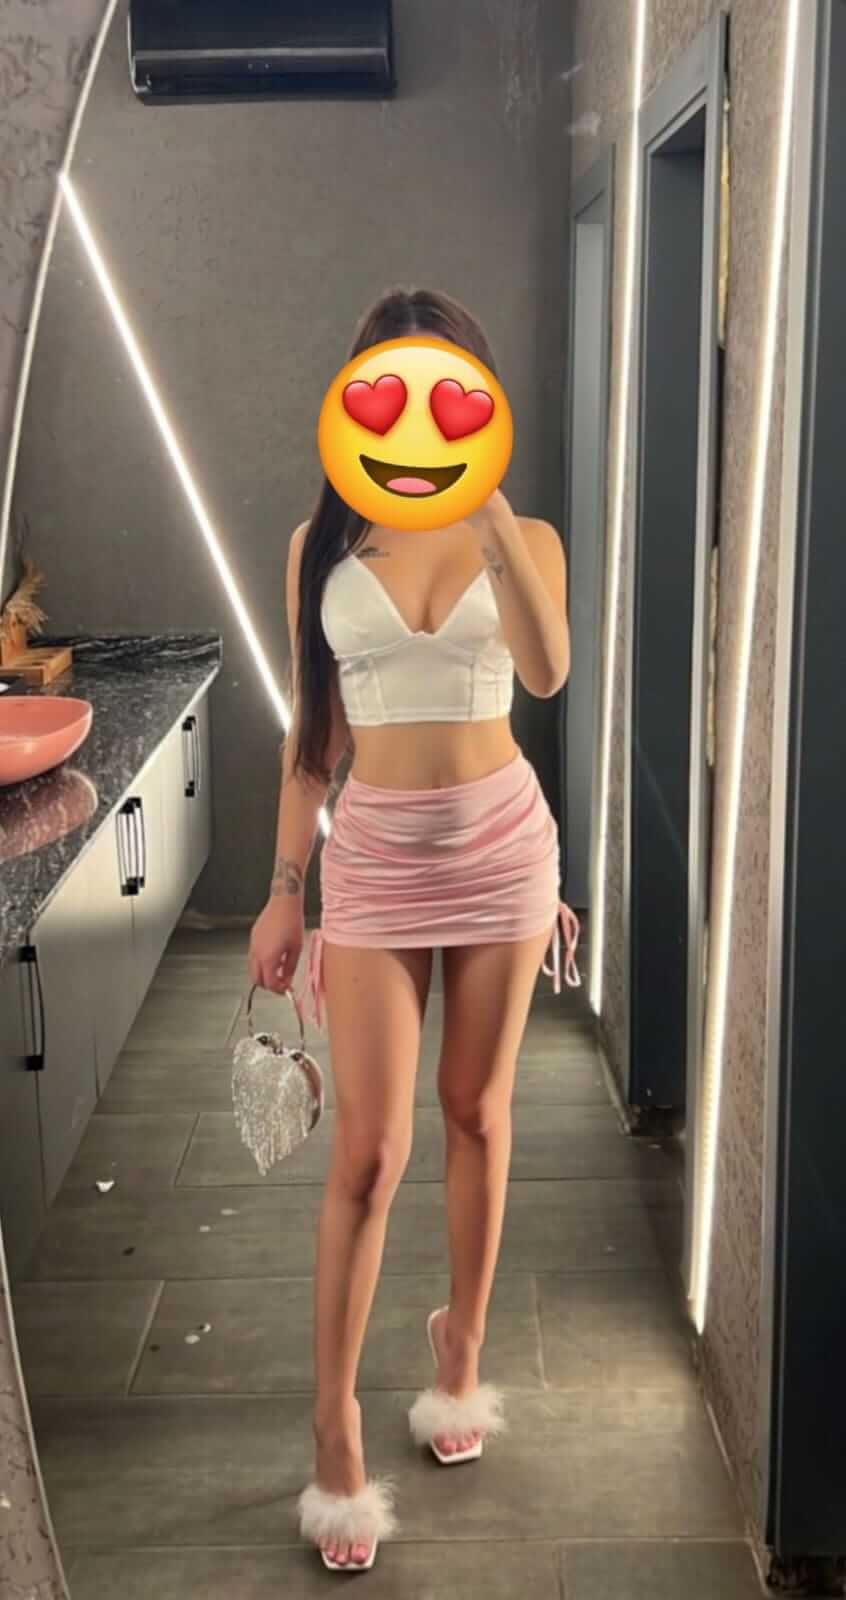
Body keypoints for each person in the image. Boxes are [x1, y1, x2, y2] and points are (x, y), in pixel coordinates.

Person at [248, 285, 580, 1573]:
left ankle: (460, 1354)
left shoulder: (527, 534)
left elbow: (546, 671)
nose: (421, 418)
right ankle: (334, 1424)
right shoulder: (320, 544)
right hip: (378, 858)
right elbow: (311, 737)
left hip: (503, 849)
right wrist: (286, 887)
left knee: (478, 1113)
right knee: (371, 1154)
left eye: (448, 392)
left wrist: (487, 509)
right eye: (394, 388)